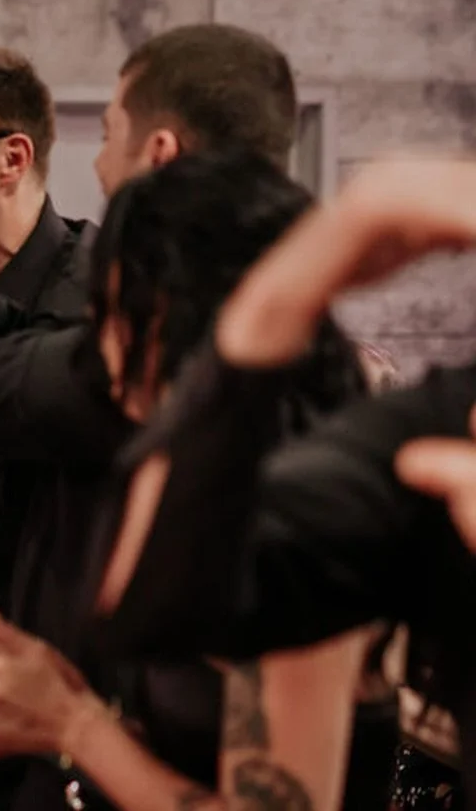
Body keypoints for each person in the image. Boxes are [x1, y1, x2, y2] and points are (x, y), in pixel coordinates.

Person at [0, 93, 397, 809]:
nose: (100, 360)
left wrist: (72, 723)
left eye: (121, 324)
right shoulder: (168, 443)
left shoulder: (288, 530)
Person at [62, 158, 476, 800]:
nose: (102, 347)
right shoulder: (424, 426)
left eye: (114, 311)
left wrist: (72, 726)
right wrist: (277, 301)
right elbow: (140, 605)